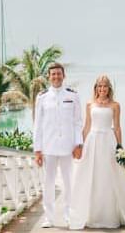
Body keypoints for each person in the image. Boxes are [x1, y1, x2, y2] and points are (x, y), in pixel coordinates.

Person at [69, 75, 125, 230]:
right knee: (92, 176)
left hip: (108, 142)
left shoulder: (115, 105)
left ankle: (111, 216)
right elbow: (87, 126)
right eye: (99, 86)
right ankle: (91, 215)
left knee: (109, 176)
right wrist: (81, 146)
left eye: (105, 86)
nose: (102, 89)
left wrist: (120, 147)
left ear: (109, 88)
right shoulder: (89, 104)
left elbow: (117, 127)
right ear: (95, 88)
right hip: (93, 142)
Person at [33, 63, 83, 228]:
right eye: (53, 74)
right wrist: (37, 150)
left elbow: (77, 122)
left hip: (68, 147)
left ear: (64, 75)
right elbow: (37, 125)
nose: (56, 77)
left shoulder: (73, 96)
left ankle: (69, 215)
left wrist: (78, 144)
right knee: (48, 183)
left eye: (59, 74)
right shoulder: (42, 97)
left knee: (69, 182)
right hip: (49, 147)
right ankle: (49, 217)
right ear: (49, 76)